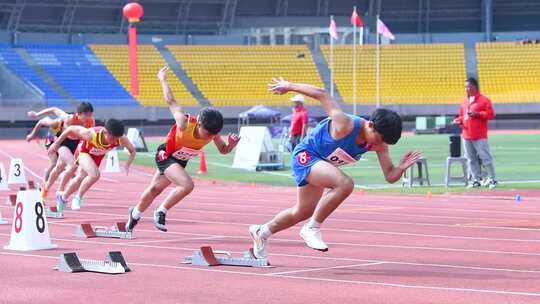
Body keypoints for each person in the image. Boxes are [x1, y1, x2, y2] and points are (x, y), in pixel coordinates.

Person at [248, 78, 421, 258]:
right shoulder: (344, 123)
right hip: (306, 156)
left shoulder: (379, 144)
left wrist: (401, 167)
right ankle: (311, 228)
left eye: (384, 142)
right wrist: (289, 86)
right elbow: (322, 94)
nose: (380, 144)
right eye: (379, 139)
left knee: (302, 211)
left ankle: (262, 232)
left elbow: (390, 176)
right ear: (370, 125)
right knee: (345, 184)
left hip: (322, 165)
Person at [125, 67, 240, 232]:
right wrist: (163, 79)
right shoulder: (184, 123)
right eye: (206, 133)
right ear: (199, 122)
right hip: (165, 155)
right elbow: (171, 101)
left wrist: (230, 145)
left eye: (212, 135)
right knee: (187, 185)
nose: (208, 137)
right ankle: (161, 211)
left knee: (154, 189)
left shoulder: (212, 132)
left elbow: (223, 150)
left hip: (179, 161)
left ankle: (134, 215)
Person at [49, 119, 136, 211]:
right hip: (83, 152)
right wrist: (56, 144)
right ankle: (78, 198)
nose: (114, 141)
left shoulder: (121, 139)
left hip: (97, 156)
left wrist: (127, 164)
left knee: (80, 179)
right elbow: (69, 129)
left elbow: (132, 151)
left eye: (116, 138)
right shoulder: (90, 134)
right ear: (105, 132)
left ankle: (63, 197)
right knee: (95, 175)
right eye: (112, 138)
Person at [26, 103, 95, 201]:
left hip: (75, 144)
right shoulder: (67, 119)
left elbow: (88, 138)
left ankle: (45, 188)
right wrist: (36, 118)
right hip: (60, 141)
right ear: (78, 114)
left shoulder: (91, 122)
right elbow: (53, 110)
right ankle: (60, 192)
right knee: (71, 166)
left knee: (59, 167)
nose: (88, 118)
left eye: (90, 115)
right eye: (86, 115)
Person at [453, 77, 497, 189]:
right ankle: (476, 179)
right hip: (467, 135)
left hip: (479, 135)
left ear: (474, 87)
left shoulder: (484, 100)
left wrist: (478, 114)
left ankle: (492, 179)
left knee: (485, 158)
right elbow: (462, 116)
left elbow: (491, 114)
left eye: (468, 86)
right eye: (465, 87)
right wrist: (458, 121)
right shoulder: (464, 102)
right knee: (470, 159)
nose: (466, 89)